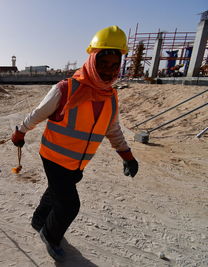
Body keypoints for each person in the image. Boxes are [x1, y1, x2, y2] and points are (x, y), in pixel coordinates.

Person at [11, 25, 139, 262]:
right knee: (69, 205)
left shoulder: (110, 95)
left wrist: (127, 156)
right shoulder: (66, 88)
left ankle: (39, 219)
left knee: (57, 191)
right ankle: (49, 235)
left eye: (114, 65)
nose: (109, 71)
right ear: (92, 60)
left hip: (78, 162)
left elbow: (113, 129)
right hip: (53, 157)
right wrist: (20, 131)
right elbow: (38, 113)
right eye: (103, 63)